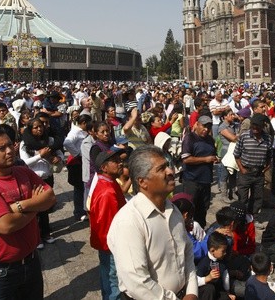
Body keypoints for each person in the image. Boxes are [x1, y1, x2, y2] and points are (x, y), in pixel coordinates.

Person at [0, 127, 56, 299]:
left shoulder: (23, 172)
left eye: (10, 145)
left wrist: (18, 206)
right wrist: (36, 206)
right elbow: (6, 225)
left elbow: (50, 197)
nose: (9, 151)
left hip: (31, 262)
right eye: (1, 148)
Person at [107, 146, 198, 300]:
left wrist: (191, 292)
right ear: (142, 182)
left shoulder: (173, 210)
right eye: (161, 169)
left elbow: (187, 252)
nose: (170, 171)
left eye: (167, 166)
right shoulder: (129, 221)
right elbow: (137, 282)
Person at [89, 149, 127, 300]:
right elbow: (110, 226)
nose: (120, 163)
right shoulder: (107, 192)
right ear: (104, 167)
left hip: (107, 244)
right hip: (110, 245)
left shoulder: (109, 183)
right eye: (115, 161)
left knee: (108, 276)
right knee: (113, 281)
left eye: (120, 159)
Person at [19, 118, 63, 248]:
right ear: (30, 129)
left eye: (41, 126)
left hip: (47, 177)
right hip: (33, 180)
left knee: (45, 208)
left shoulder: (49, 141)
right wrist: (40, 156)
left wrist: (58, 157)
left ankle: (46, 233)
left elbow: (60, 151)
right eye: (35, 127)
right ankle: (36, 237)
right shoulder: (25, 144)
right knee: (35, 210)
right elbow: (25, 162)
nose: (39, 129)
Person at [181, 115, 217, 228]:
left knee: (203, 209)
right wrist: (206, 159)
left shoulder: (210, 139)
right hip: (192, 180)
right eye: (204, 126)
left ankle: (200, 231)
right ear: (197, 124)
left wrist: (215, 158)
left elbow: (212, 154)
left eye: (209, 127)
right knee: (189, 208)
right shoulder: (189, 138)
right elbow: (186, 159)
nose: (206, 129)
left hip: (206, 180)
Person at [234, 114, 272, 216]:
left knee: (257, 197)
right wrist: (241, 168)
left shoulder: (268, 138)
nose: (255, 128)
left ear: (263, 126)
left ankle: (252, 217)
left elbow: (269, 155)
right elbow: (236, 154)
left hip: (259, 173)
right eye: (253, 125)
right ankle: (240, 218)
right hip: (245, 172)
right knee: (243, 197)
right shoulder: (244, 136)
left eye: (258, 126)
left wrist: (267, 166)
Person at [64, 114, 91, 221]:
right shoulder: (75, 132)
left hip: (80, 162)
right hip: (76, 163)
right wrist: (78, 154)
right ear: (83, 123)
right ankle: (79, 212)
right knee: (79, 188)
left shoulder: (80, 131)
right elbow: (67, 143)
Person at [196, 231, 232, 300]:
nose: (225, 253)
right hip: (204, 292)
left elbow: (225, 276)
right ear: (212, 250)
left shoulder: (222, 262)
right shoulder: (204, 263)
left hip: (217, 290)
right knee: (210, 288)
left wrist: (228, 292)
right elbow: (195, 281)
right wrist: (207, 278)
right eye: (223, 251)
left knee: (225, 297)